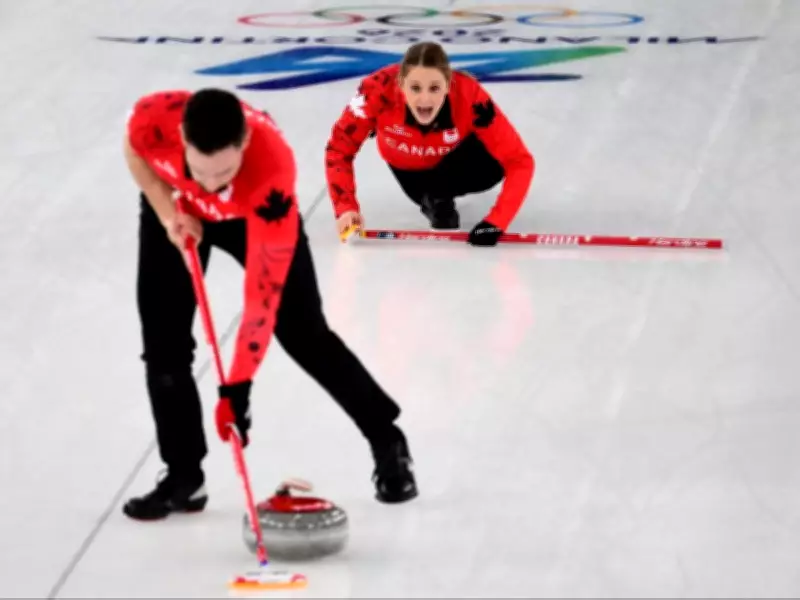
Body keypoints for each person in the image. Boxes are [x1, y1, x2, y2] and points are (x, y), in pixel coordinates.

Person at [122, 88, 417, 520]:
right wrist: (169, 215)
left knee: (302, 332)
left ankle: (387, 440)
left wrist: (237, 389)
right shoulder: (152, 119)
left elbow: (261, 303)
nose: (211, 184)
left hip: (253, 216)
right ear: (181, 138)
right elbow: (137, 156)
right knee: (163, 343)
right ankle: (184, 474)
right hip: (180, 210)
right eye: (201, 171)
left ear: (243, 144)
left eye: (223, 172)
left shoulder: (270, 171)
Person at [325, 41, 535, 246]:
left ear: (448, 85)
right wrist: (345, 208)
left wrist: (496, 222)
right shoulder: (376, 91)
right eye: (415, 88)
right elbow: (339, 149)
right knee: (431, 199)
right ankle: (433, 199)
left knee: (494, 165)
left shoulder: (469, 96)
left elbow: (519, 160)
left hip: (455, 158)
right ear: (400, 83)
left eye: (434, 88)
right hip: (410, 171)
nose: (425, 100)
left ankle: (440, 193)